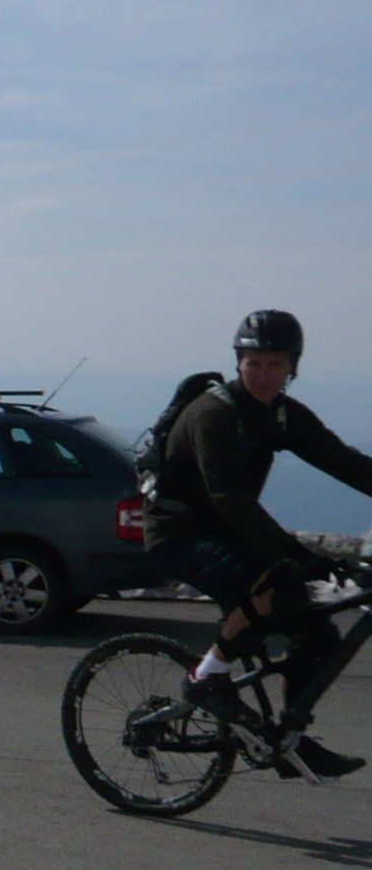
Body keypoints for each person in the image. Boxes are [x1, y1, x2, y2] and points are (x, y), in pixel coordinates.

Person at [146, 310, 372, 779]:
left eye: (276, 364)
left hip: (230, 532)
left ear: (293, 366)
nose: (265, 374)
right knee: (278, 586)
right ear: (239, 363)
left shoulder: (283, 415)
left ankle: (290, 739)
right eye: (255, 364)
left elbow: (347, 463)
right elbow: (230, 500)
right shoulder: (213, 414)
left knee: (319, 635)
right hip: (180, 535)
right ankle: (207, 678)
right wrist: (299, 556)